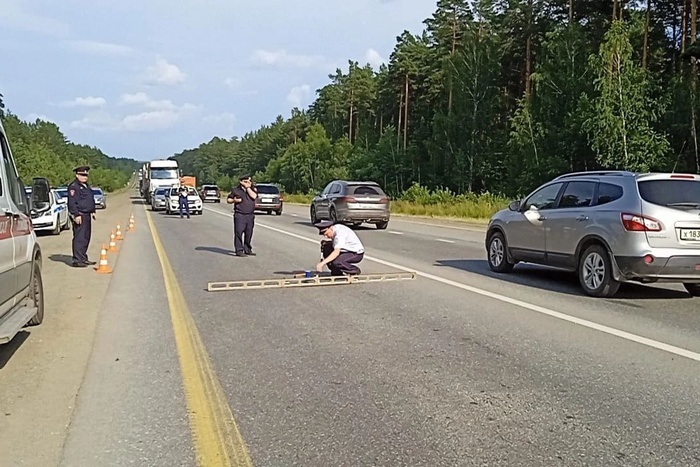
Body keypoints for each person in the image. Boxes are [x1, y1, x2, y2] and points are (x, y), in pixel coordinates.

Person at [67, 165, 97, 268]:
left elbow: (89, 199)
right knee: (79, 237)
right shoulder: (74, 186)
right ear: (77, 175)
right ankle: (77, 260)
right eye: (82, 175)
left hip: (87, 214)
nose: (85, 177)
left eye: (86, 175)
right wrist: (76, 215)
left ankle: (83, 257)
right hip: (80, 215)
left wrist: (92, 211)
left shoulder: (86, 186)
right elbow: (72, 202)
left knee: (86, 237)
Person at [226, 174, 257, 256]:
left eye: (249, 181)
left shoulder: (252, 189)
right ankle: (239, 250)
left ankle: (247, 249)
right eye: (246, 182)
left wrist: (248, 188)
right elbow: (228, 199)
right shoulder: (236, 190)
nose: (248, 183)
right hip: (240, 215)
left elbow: (254, 196)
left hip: (250, 215)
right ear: (241, 182)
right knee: (239, 232)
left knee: (249, 233)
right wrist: (234, 200)